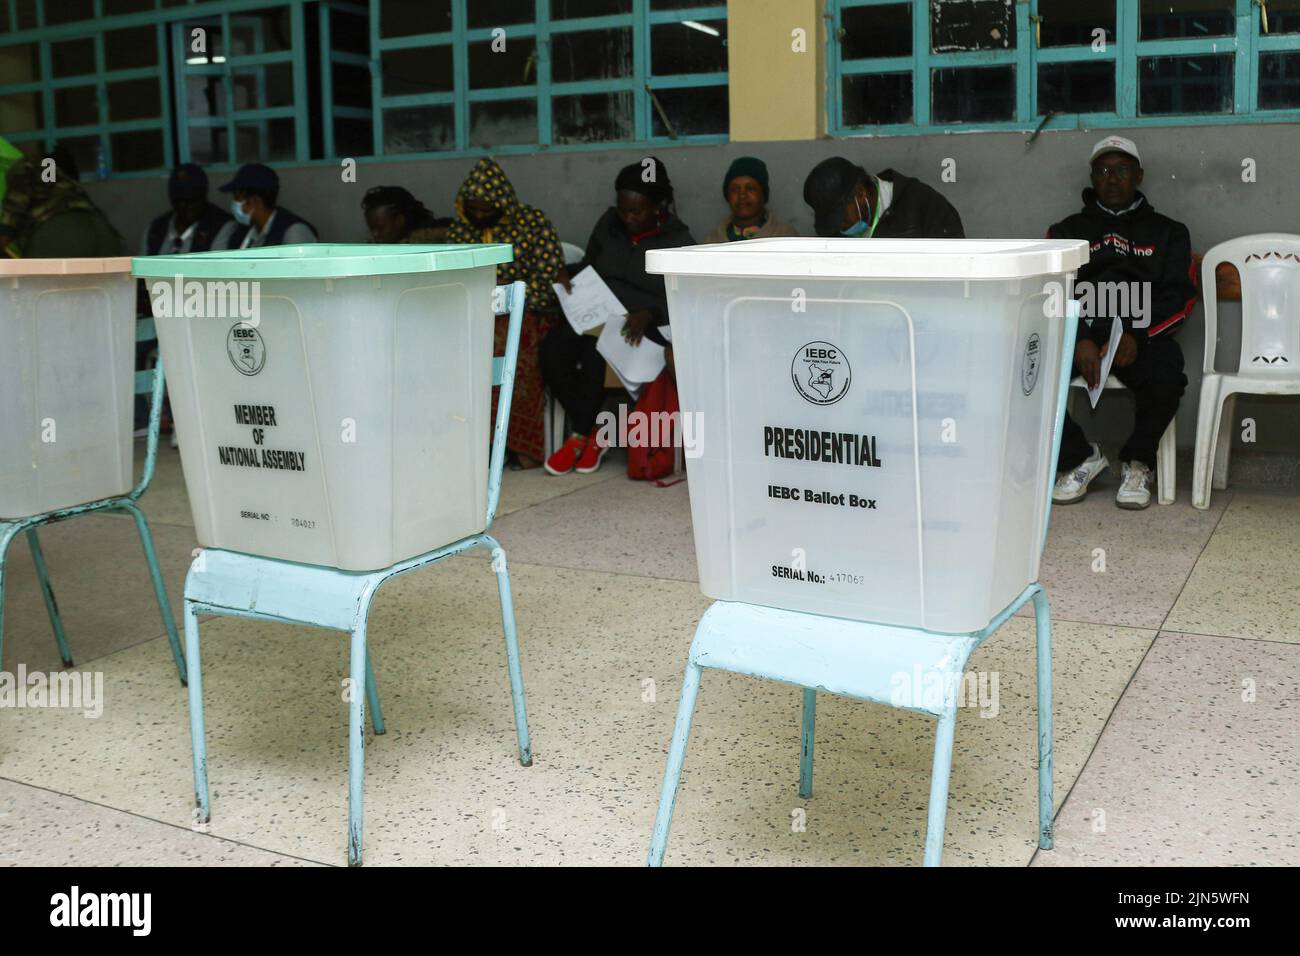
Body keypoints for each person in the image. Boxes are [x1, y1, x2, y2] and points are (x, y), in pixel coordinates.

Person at [1048, 135, 1196, 510]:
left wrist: (1137, 333)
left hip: (1140, 334)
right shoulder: (1064, 232)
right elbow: (1054, 292)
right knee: (1026, 370)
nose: (1112, 179)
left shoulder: (1169, 232)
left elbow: (1177, 296)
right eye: (1103, 171)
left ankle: (1138, 461)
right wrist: (1078, 337)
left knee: (1167, 375)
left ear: (1139, 176)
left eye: (1123, 170)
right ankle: (1079, 458)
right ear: (1092, 177)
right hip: (1081, 331)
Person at [541, 156, 695, 476]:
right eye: (622, 209)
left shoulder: (679, 241)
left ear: (658, 207)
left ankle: (582, 437)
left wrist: (650, 313)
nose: (627, 218)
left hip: (643, 327)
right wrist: (568, 274)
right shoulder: (608, 224)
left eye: (636, 211)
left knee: (595, 353)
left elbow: (689, 300)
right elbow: (592, 265)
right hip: (597, 313)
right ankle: (592, 431)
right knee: (550, 349)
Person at [446, 157, 567, 469]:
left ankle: (519, 446)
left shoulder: (531, 223)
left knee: (510, 348)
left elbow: (549, 280)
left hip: (528, 312)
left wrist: (510, 292)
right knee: (453, 350)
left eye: (487, 209)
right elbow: (450, 281)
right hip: (473, 313)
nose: (480, 216)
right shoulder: (461, 231)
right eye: (473, 209)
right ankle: (475, 444)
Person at [0, 149, 124, 258]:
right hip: (103, 232)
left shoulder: (26, 165)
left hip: (59, 235)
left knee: (37, 283)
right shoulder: (64, 181)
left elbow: (14, 208)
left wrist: (4, 236)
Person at [802, 156, 964, 239]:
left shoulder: (927, 206)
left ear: (860, 193)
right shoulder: (835, 232)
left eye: (842, 218)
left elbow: (956, 274)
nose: (841, 228)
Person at [139, 163, 235, 256]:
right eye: (182, 200)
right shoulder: (155, 229)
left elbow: (214, 269)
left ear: (204, 197)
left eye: (194, 199)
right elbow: (142, 269)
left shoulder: (221, 226)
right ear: (172, 200)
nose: (189, 206)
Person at [217, 163, 317, 248]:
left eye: (237, 198)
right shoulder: (243, 232)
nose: (234, 204)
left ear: (256, 201)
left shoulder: (294, 232)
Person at [702, 156, 798, 243]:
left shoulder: (785, 237)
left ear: (763, 194)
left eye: (750, 188)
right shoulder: (712, 240)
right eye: (734, 189)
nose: (742, 195)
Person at [361, 185, 453, 243]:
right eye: (371, 229)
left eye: (380, 228)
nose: (374, 235)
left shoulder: (435, 243)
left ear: (400, 220)